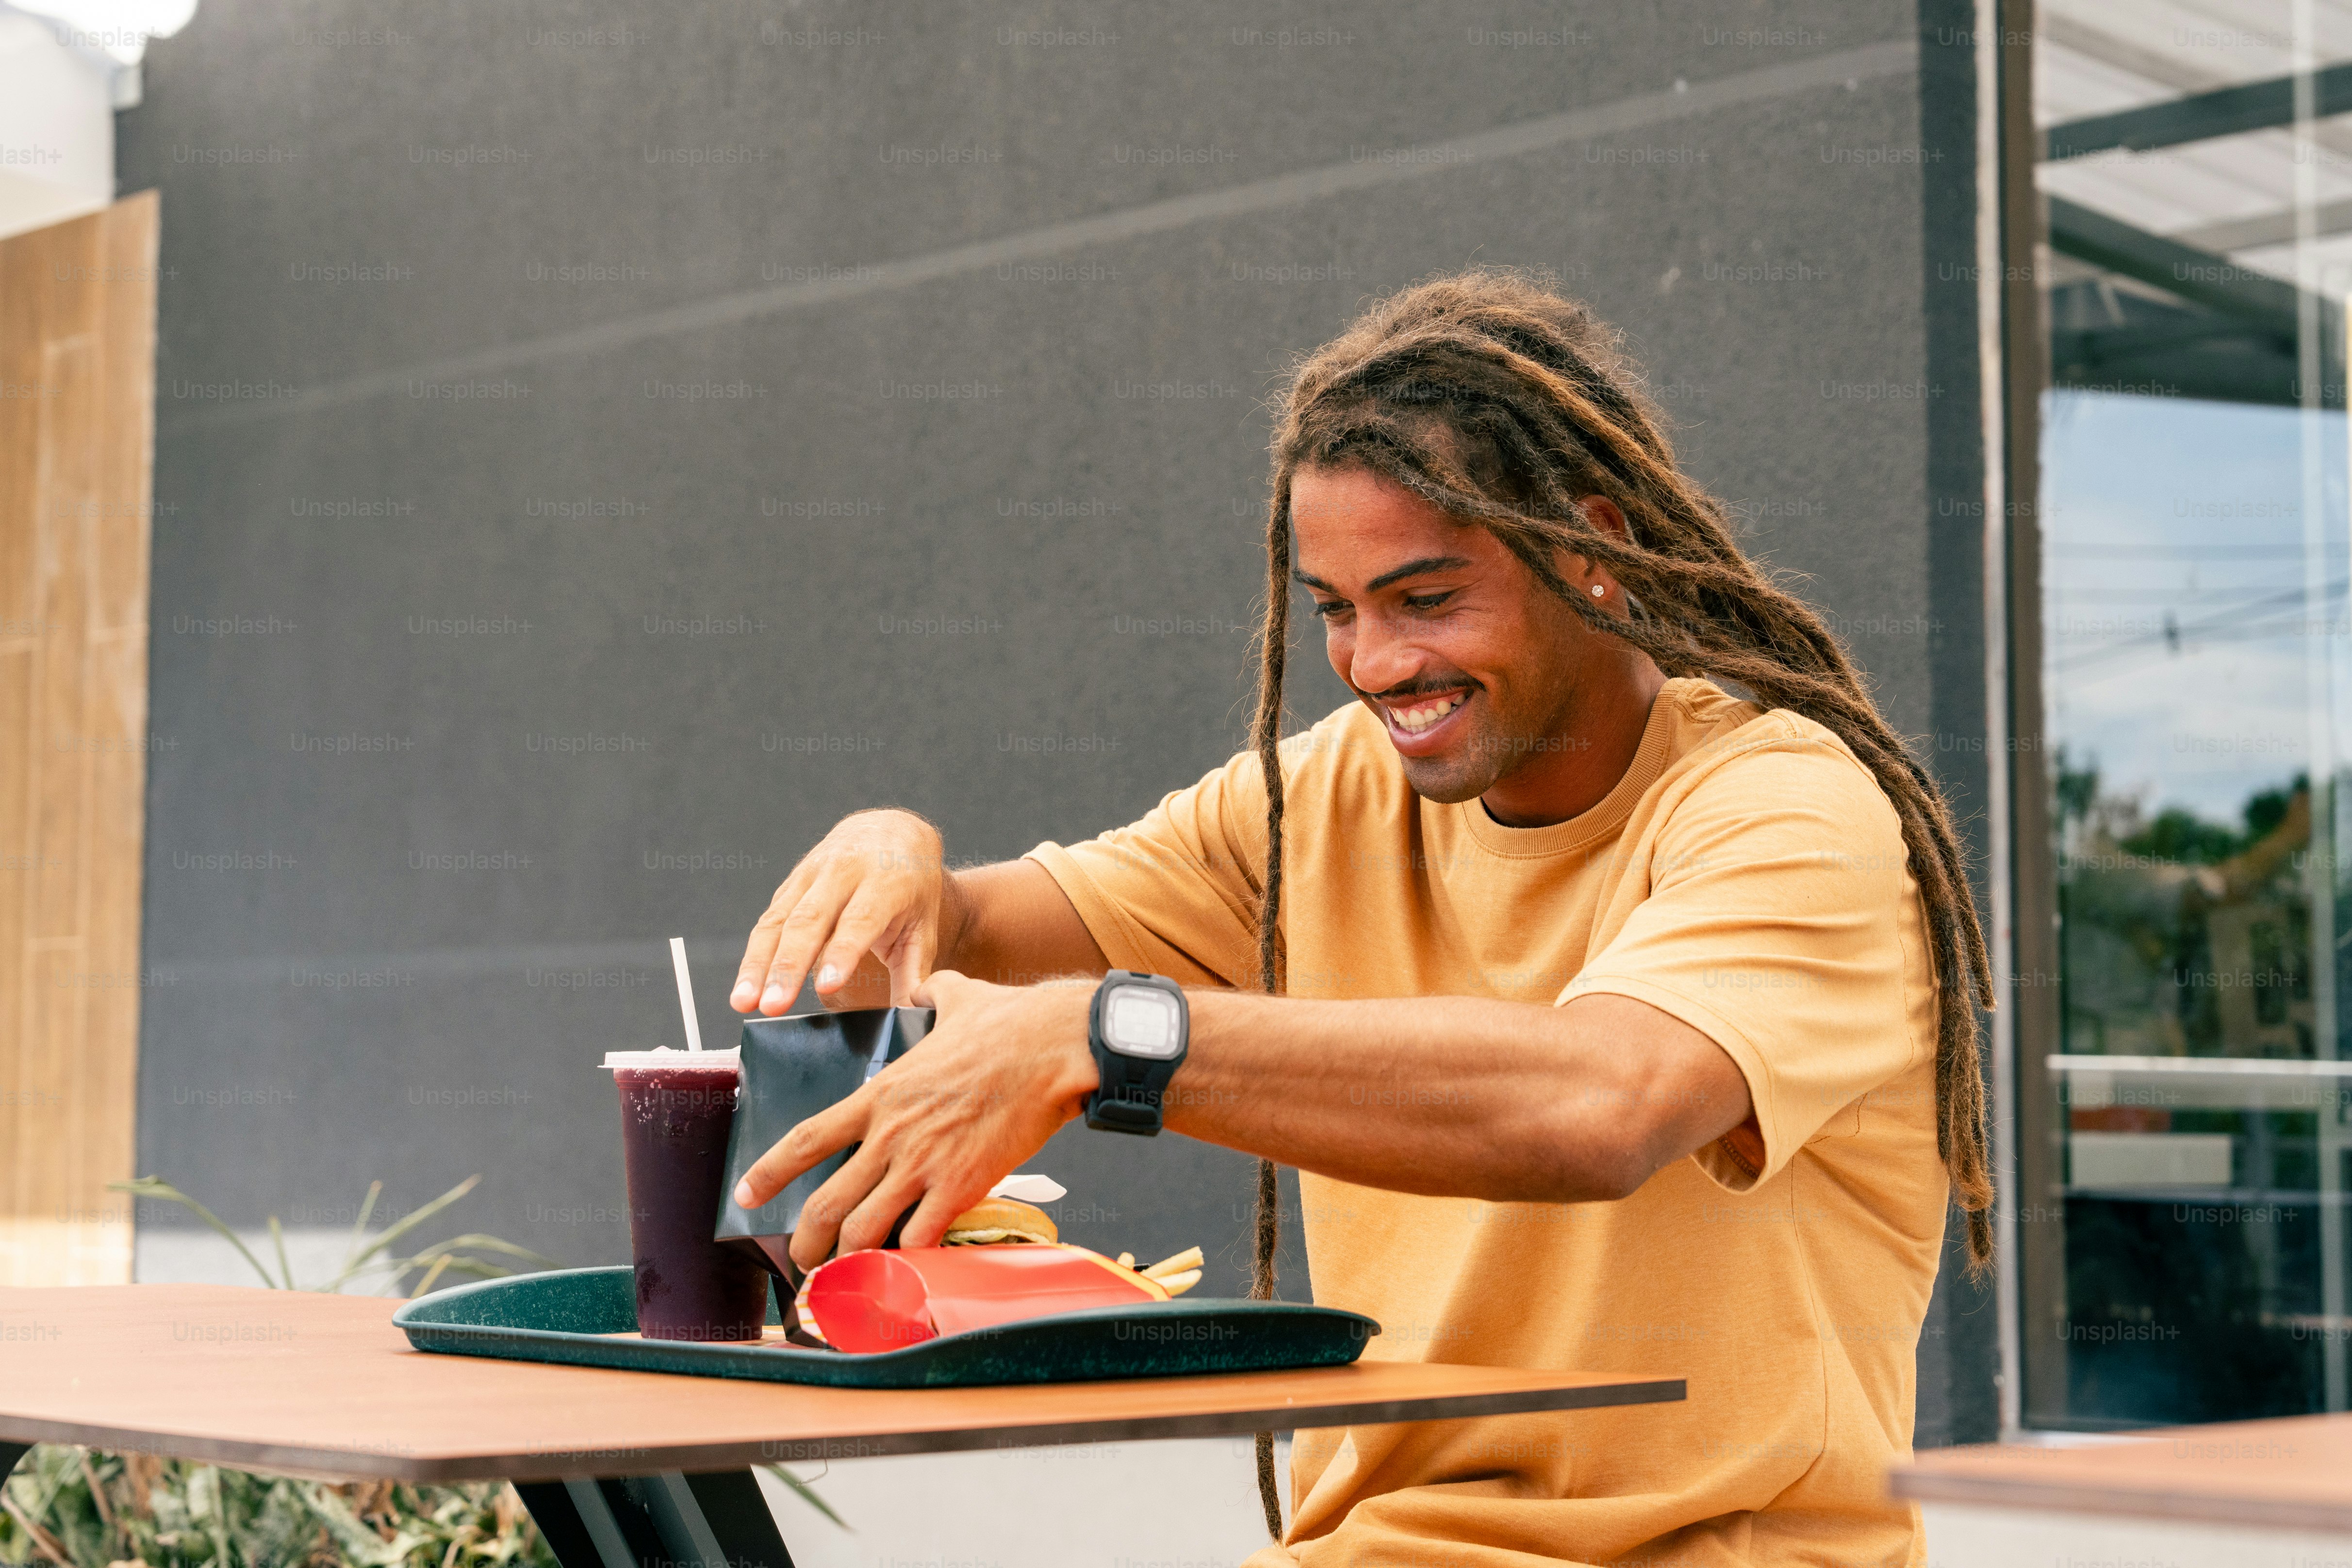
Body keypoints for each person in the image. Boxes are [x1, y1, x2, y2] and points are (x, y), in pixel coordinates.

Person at [729, 270, 1992, 1568]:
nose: (1377, 664)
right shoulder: (1332, 794)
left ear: (1591, 550)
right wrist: (897, 855)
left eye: (1427, 598)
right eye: (1336, 609)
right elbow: (984, 930)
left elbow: (1609, 1105)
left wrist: (1111, 1044)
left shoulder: (1785, 809)